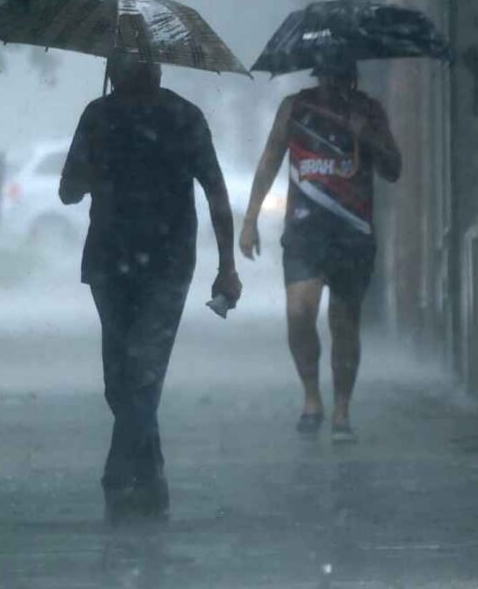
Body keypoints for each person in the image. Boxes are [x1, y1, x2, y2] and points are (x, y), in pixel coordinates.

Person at [59, 53, 242, 522]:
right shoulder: (99, 118)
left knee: (140, 369)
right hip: (113, 263)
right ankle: (152, 469)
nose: (142, 69)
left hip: (163, 264)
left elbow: (215, 190)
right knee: (121, 380)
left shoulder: (180, 118)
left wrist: (227, 265)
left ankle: (119, 474)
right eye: (132, 61)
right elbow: (68, 189)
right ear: (118, 70)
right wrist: (99, 164)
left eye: (146, 61)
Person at [240, 62, 401, 444]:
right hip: (304, 231)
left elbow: (394, 169)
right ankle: (312, 397)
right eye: (328, 72)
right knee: (299, 313)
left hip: (353, 232)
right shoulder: (295, 108)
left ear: (352, 73)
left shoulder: (369, 110)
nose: (335, 80)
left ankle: (342, 410)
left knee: (344, 324)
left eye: (341, 72)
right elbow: (269, 161)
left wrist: (370, 138)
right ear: (318, 72)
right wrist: (250, 220)